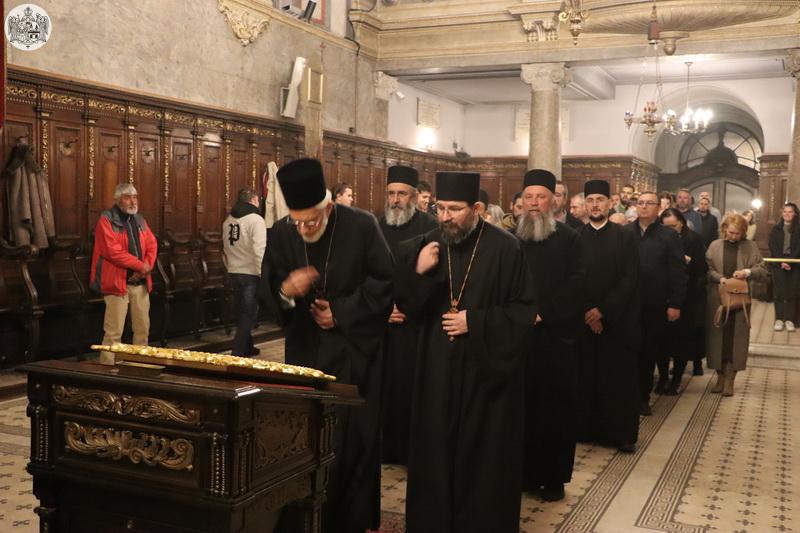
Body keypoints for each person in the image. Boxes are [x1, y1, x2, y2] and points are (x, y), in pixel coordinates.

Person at [395, 171, 536, 533]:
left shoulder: (506, 248)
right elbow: (407, 309)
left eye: (455, 209)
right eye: (440, 208)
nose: (445, 217)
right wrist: (419, 272)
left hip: (484, 374)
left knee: (483, 454)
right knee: (435, 449)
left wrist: (475, 321)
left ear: (476, 209)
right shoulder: (427, 245)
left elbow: (523, 311)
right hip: (436, 368)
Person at [264, 158, 393, 533]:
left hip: (354, 354)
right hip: (304, 353)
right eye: (298, 222)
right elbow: (268, 288)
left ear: (329, 207)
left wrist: (342, 313)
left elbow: (385, 282)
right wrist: (286, 292)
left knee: (350, 441)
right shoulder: (283, 232)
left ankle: (347, 522)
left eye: (311, 221)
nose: (304, 228)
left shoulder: (362, 225)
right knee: (303, 439)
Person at [517, 169, 584, 501]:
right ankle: (525, 474)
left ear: (553, 201)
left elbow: (577, 283)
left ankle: (554, 479)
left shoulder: (570, 238)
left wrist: (544, 313)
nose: (533, 203)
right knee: (522, 409)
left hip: (556, 339)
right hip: (518, 338)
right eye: (528, 197)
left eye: (540, 197)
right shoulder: (511, 239)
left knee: (555, 411)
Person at [378, 165, 437, 465]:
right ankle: (385, 448)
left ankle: (412, 450)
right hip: (381, 324)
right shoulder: (375, 226)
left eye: (402, 194)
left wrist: (407, 305)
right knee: (383, 389)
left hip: (416, 326)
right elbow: (367, 275)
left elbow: (437, 278)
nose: (395, 200)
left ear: (414, 196)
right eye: (391, 193)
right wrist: (383, 308)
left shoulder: (431, 228)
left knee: (412, 390)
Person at [576, 179, 641, 453]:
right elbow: (571, 279)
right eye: (590, 200)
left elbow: (629, 278)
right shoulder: (575, 237)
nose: (595, 205)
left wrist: (602, 311)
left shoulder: (625, 236)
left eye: (599, 200)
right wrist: (588, 311)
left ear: (610, 202)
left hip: (617, 322)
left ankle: (620, 434)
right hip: (584, 322)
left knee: (618, 379)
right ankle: (587, 429)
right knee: (586, 377)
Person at [627, 192, 686, 414]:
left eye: (649, 203)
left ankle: (642, 398)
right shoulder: (624, 232)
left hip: (655, 303)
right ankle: (626, 396)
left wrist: (675, 304)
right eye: (640, 203)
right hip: (627, 303)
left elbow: (678, 272)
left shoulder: (668, 236)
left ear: (658, 207)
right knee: (628, 352)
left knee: (648, 352)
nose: (643, 206)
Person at [90, 183, 158, 363]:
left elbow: (152, 245)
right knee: (114, 332)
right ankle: (107, 369)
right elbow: (112, 251)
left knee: (142, 330)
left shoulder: (140, 220)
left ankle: (140, 365)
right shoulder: (106, 219)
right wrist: (140, 266)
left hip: (140, 282)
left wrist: (146, 266)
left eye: (135, 197)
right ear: (118, 200)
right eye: (128, 197)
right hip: (117, 283)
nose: (133, 201)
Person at [706, 213, 767, 397]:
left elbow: (762, 270)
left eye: (738, 233)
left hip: (740, 299)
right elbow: (707, 270)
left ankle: (730, 379)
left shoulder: (750, 246)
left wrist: (747, 272)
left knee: (736, 339)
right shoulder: (715, 245)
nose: (733, 236)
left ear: (744, 232)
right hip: (718, 297)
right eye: (731, 232)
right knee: (717, 338)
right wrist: (719, 278)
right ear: (724, 229)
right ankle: (720, 376)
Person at [659, 208, 708, 390]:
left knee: (681, 338)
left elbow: (702, 268)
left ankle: (676, 379)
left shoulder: (693, 239)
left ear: (681, 223)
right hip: (662, 294)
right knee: (662, 339)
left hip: (687, 295)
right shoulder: (659, 237)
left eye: (673, 226)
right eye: (666, 227)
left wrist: (688, 261)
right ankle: (663, 377)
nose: (670, 230)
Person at [223, 188, 267, 356]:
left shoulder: (228, 220)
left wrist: (230, 266)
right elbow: (259, 249)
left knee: (241, 311)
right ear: (254, 199)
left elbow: (226, 247)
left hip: (234, 271)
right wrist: (263, 273)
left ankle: (248, 346)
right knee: (248, 314)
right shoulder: (256, 219)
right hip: (251, 272)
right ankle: (238, 352)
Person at [768, 203, 800, 332]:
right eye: (785, 211)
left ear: (795, 214)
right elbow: (773, 246)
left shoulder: (798, 229)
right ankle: (779, 319)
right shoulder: (776, 229)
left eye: (790, 212)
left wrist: (790, 261)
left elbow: (799, 248)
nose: (787, 214)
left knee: (792, 292)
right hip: (778, 264)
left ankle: (789, 320)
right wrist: (782, 261)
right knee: (779, 292)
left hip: (794, 264)